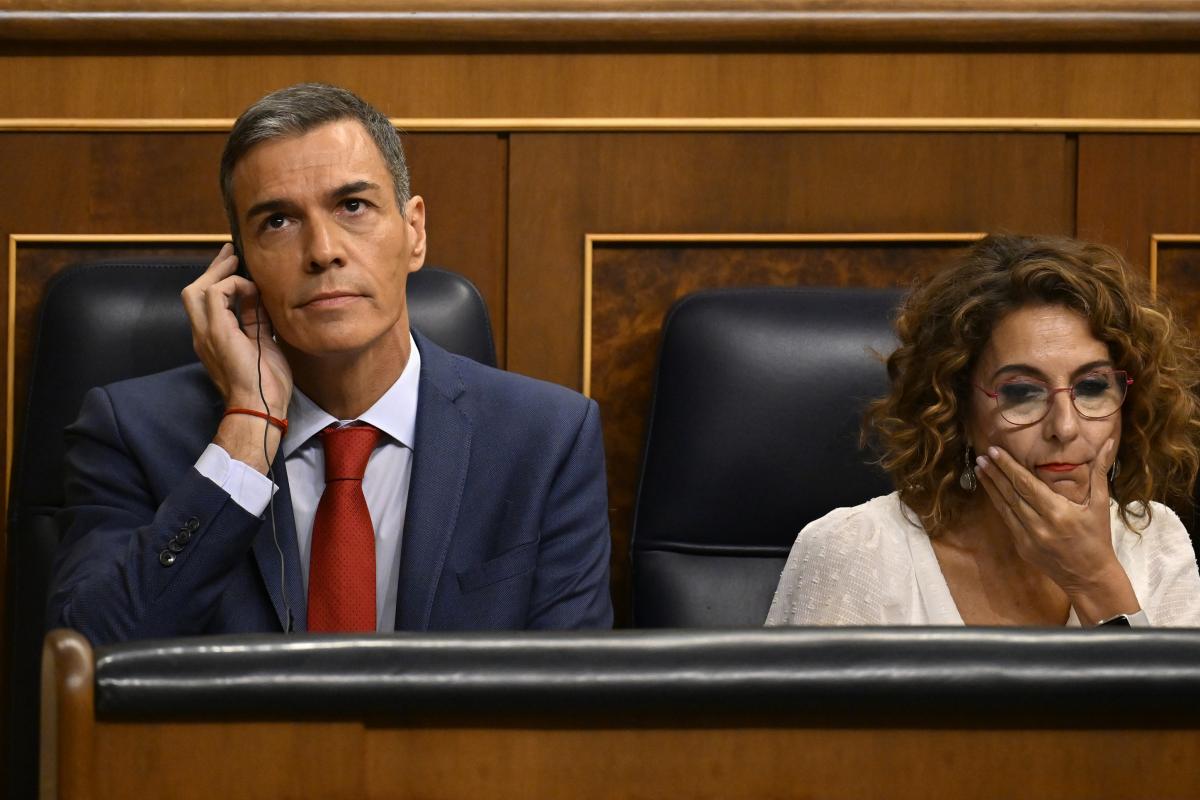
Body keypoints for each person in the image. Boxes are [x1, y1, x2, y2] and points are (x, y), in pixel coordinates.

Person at [48, 83, 613, 642]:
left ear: (414, 232)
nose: (322, 250)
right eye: (278, 221)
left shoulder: (547, 438)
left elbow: (572, 703)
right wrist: (249, 428)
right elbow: (88, 662)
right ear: (240, 266)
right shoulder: (131, 432)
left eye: (353, 206)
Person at [767, 234, 1200, 627]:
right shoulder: (854, 552)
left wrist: (1096, 582)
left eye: (1092, 387)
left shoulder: (1155, 542)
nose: (1065, 427)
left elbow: (1170, 716)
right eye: (1022, 392)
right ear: (956, 408)